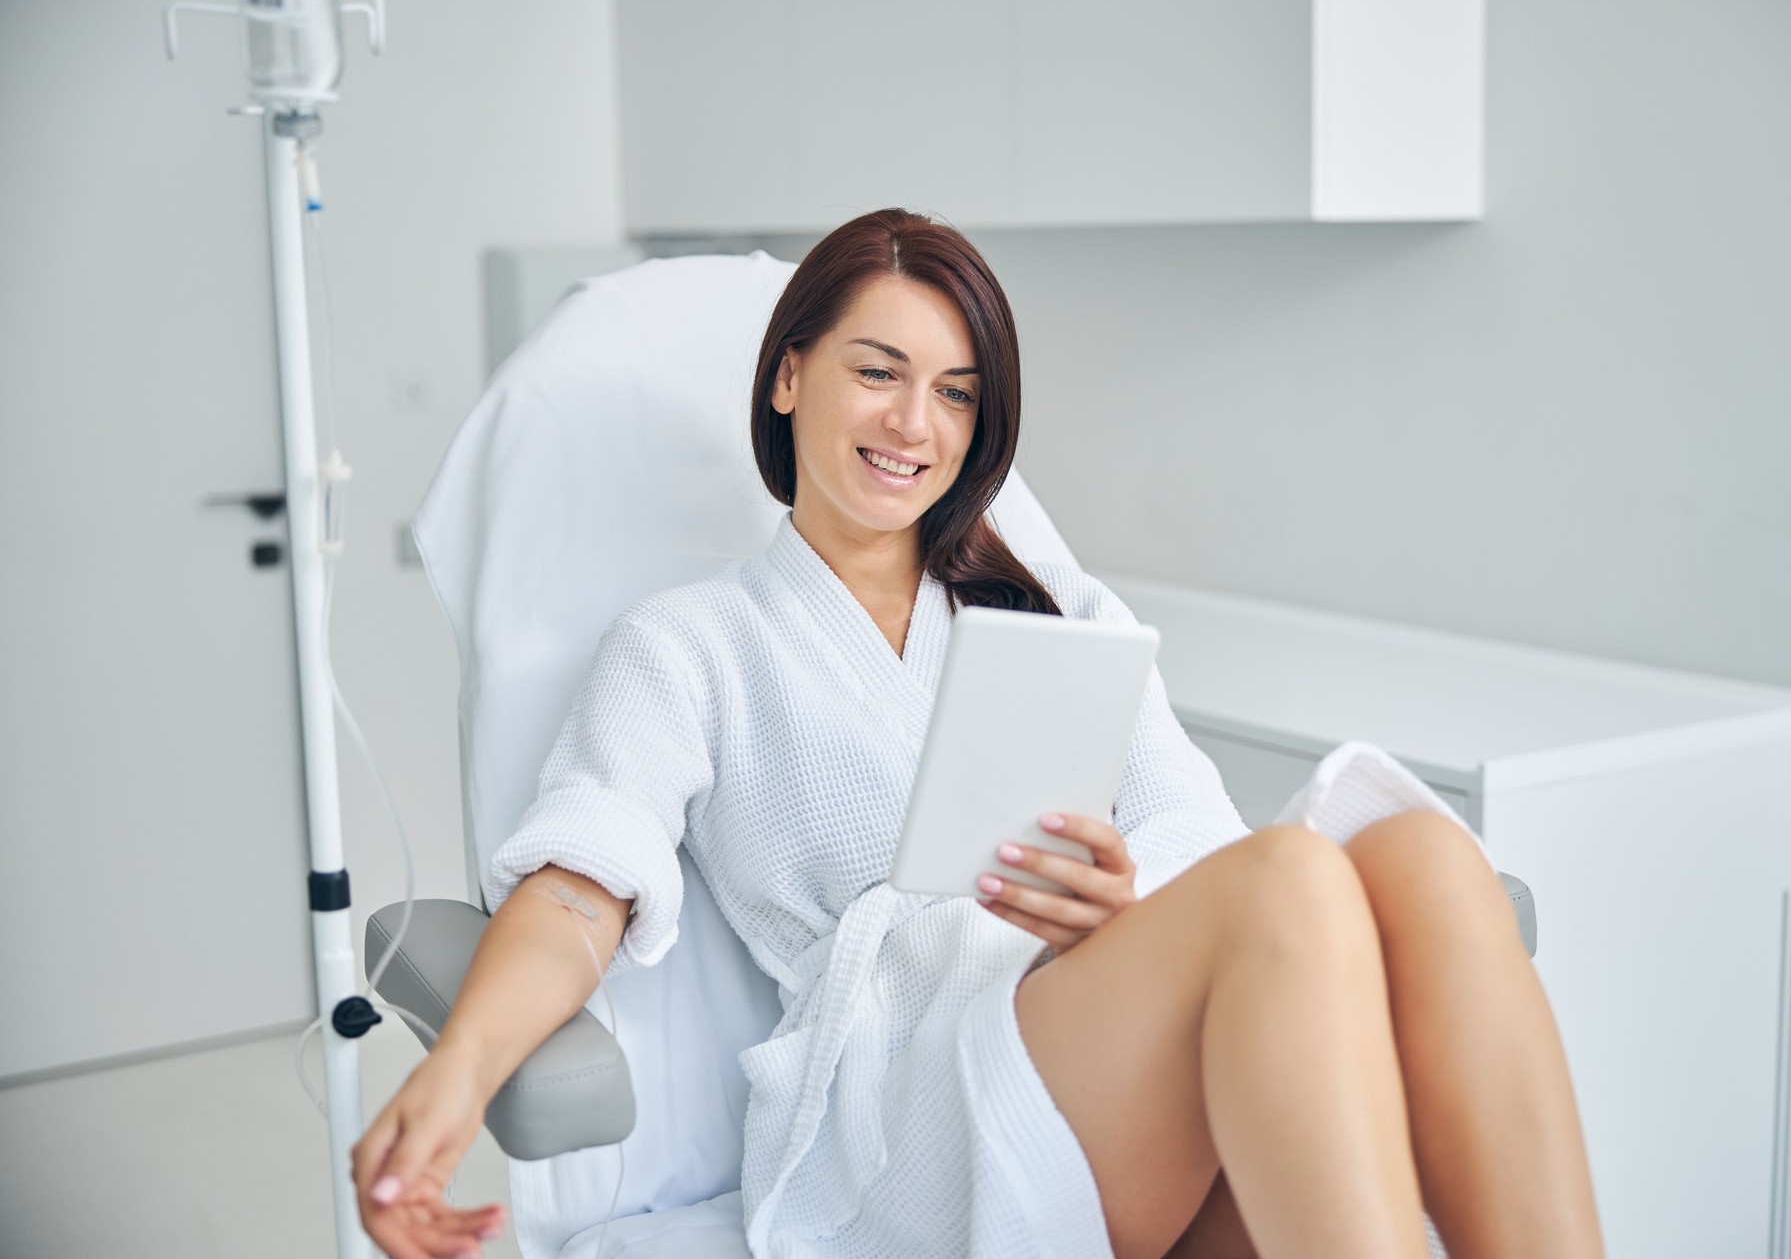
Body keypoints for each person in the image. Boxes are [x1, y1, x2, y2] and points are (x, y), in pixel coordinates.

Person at [351, 209, 1605, 1259]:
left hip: (1105, 1063)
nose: (915, 425)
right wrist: (459, 1071)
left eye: (954, 392)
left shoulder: (1052, 613)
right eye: (877, 371)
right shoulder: (690, 642)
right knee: (1289, 877)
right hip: (903, 1111)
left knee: (1423, 858)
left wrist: (1123, 906)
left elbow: (1196, 835)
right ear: (789, 377)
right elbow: (580, 884)